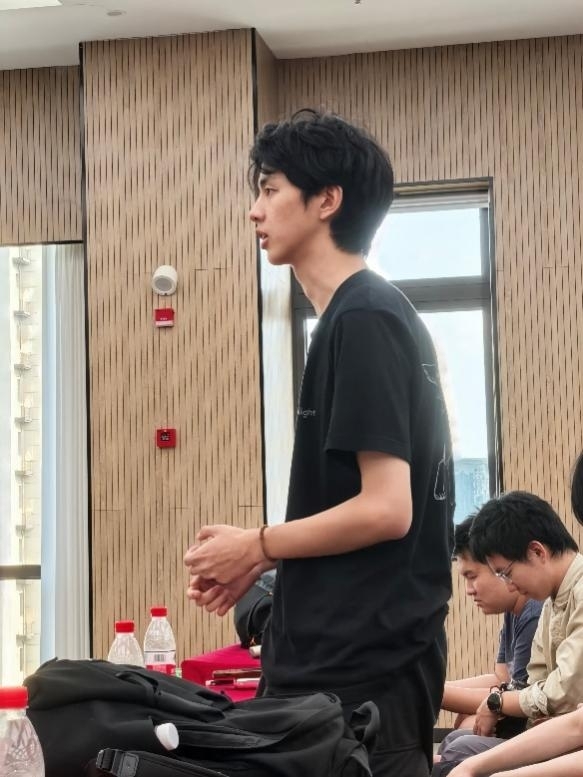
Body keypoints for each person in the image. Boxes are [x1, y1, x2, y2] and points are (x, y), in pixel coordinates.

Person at [184, 109, 455, 777]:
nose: (255, 210)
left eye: (270, 189)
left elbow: (387, 508)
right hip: (346, 668)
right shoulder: (355, 315)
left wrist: (258, 543)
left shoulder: (364, 316)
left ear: (326, 200)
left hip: (362, 678)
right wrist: (262, 560)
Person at [438, 453, 583, 777]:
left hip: (564, 740)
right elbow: (533, 683)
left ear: (537, 551)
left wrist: (499, 702)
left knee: (458, 754)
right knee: (460, 749)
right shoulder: (552, 601)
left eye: (505, 572)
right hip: (555, 734)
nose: (509, 584)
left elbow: (560, 694)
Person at [436, 516, 542, 762]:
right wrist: (437, 688)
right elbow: (501, 678)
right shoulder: (513, 612)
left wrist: (429, 692)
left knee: (458, 745)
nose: (468, 590)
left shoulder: (534, 612)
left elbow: (521, 697)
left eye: (472, 576)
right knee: (459, 734)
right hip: (521, 721)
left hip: (535, 729)